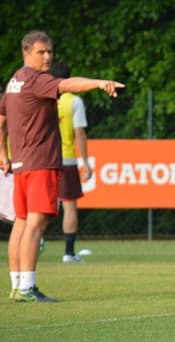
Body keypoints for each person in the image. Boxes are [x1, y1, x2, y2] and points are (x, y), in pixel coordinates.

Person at [0, 31, 125, 302]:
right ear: (26, 52)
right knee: (35, 224)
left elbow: (1, 118)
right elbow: (69, 84)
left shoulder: (14, 81)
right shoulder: (37, 80)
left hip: (21, 164)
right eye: (41, 52)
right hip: (41, 162)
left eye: (50, 52)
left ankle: (17, 286)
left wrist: (3, 152)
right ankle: (27, 287)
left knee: (21, 225)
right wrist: (99, 83)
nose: (47, 57)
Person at [49, 62, 92, 263]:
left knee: (35, 209)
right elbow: (79, 133)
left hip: (43, 159)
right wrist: (86, 162)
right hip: (65, 159)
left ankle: (33, 245)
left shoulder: (43, 98)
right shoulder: (73, 101)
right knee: (70, 207)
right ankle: (69, 253)